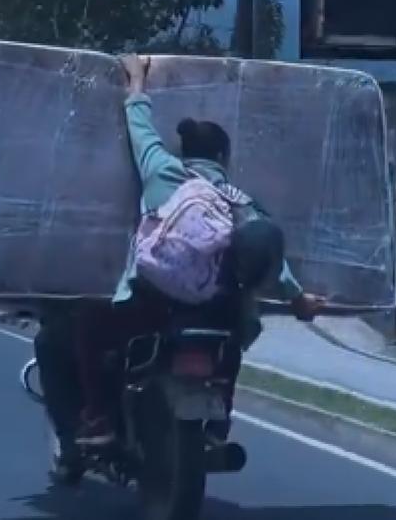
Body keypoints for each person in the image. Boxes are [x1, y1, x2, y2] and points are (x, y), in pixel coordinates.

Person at [73, 54, 327, 445]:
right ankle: (221, 412)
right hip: (218, 313)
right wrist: (299, 301)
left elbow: (138, 124)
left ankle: (99, 419)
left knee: (90, 328)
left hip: (151, 305)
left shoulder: (161, 169)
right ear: (224, 158)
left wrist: (137, 80)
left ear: (183, 151)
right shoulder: (240, 201)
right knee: (233, 339)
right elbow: (270, 259)